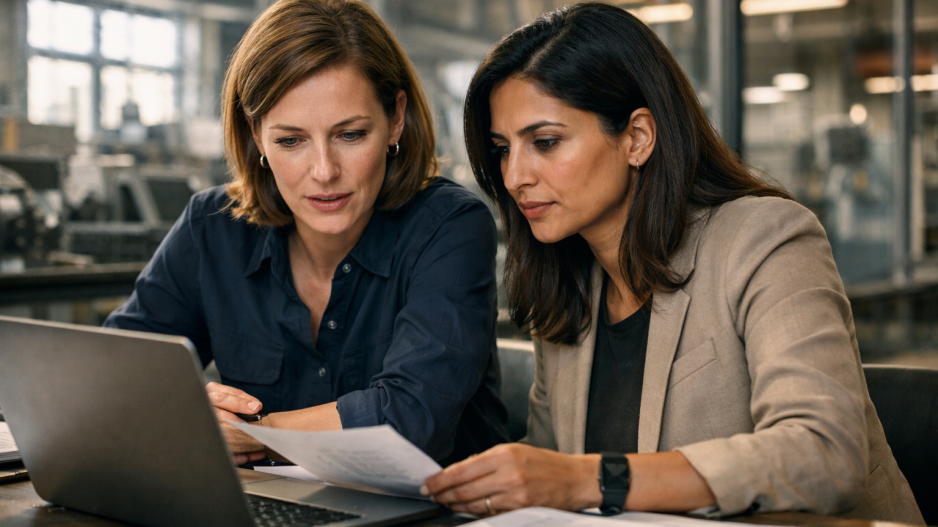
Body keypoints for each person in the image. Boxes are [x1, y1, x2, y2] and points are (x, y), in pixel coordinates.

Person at [421, 3, 924, 523]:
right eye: (502, 149)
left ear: (637, 137)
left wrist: (586, 480)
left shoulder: (765, 240)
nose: (513, 176)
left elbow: (823, 455)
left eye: (545, 142)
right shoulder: (568, 285)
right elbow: (553, 474)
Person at [105, 0, 508, 466]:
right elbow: (118, 373)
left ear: (395, 118)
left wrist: (253, 431)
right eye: (290, 141)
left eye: (350, 134)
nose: (323, 171)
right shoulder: (212, 227)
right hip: (272, 505)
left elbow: (411, 420)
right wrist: (190, 405)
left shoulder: (449, 227)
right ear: (256, 135)